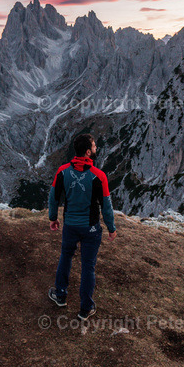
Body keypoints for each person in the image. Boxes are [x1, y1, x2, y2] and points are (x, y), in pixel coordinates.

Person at [47, 133, 117, 320]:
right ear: (87, 152)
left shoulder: (62, 171)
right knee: (88, 266)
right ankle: (85, 309)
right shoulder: (99, 176)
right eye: (94, 146)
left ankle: (60, 295)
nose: (96, 148)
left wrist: (53, 218)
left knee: (66, 257)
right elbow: (106, 206)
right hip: (91, 228)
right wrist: (111, 228)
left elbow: (53, 197)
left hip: (70, 225)